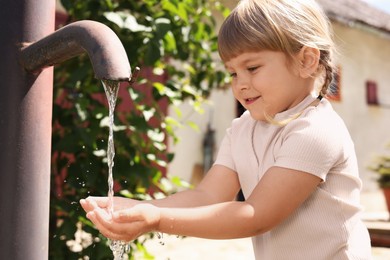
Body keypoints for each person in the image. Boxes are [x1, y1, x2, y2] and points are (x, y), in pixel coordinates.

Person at [81, 0, 372, 259]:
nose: (240, 83)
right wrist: (141, 208)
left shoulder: (316, 130)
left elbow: (256, 215)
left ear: (305, 61)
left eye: (253, 68)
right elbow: (208, 196)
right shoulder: (242, 129)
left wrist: (156, 218)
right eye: (232, 72)